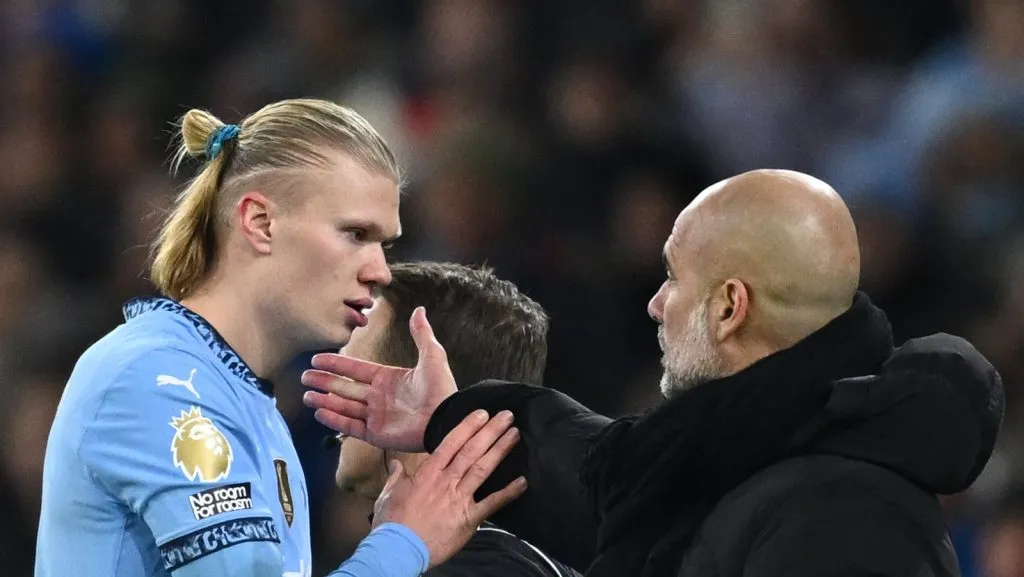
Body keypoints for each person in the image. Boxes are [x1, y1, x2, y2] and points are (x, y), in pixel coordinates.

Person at [303, 169, 1005, 577]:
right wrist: (449, 416)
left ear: (730, 306)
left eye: (673, 277)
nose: (655, 302)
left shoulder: (849, 513)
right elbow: (600, 467)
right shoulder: (736, 452)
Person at [35, 98, 525, 577]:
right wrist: (404, 541)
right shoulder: (155, 379)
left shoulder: (247, 403)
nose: (379, 270)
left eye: (385, 243)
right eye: (355, 234)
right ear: (260, 223)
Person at [319, 260, 581, 577]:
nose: (333, 398)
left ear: (417, 388)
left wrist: (398, 546)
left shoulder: (483, 568)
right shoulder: (534, 551)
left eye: (350, 371)